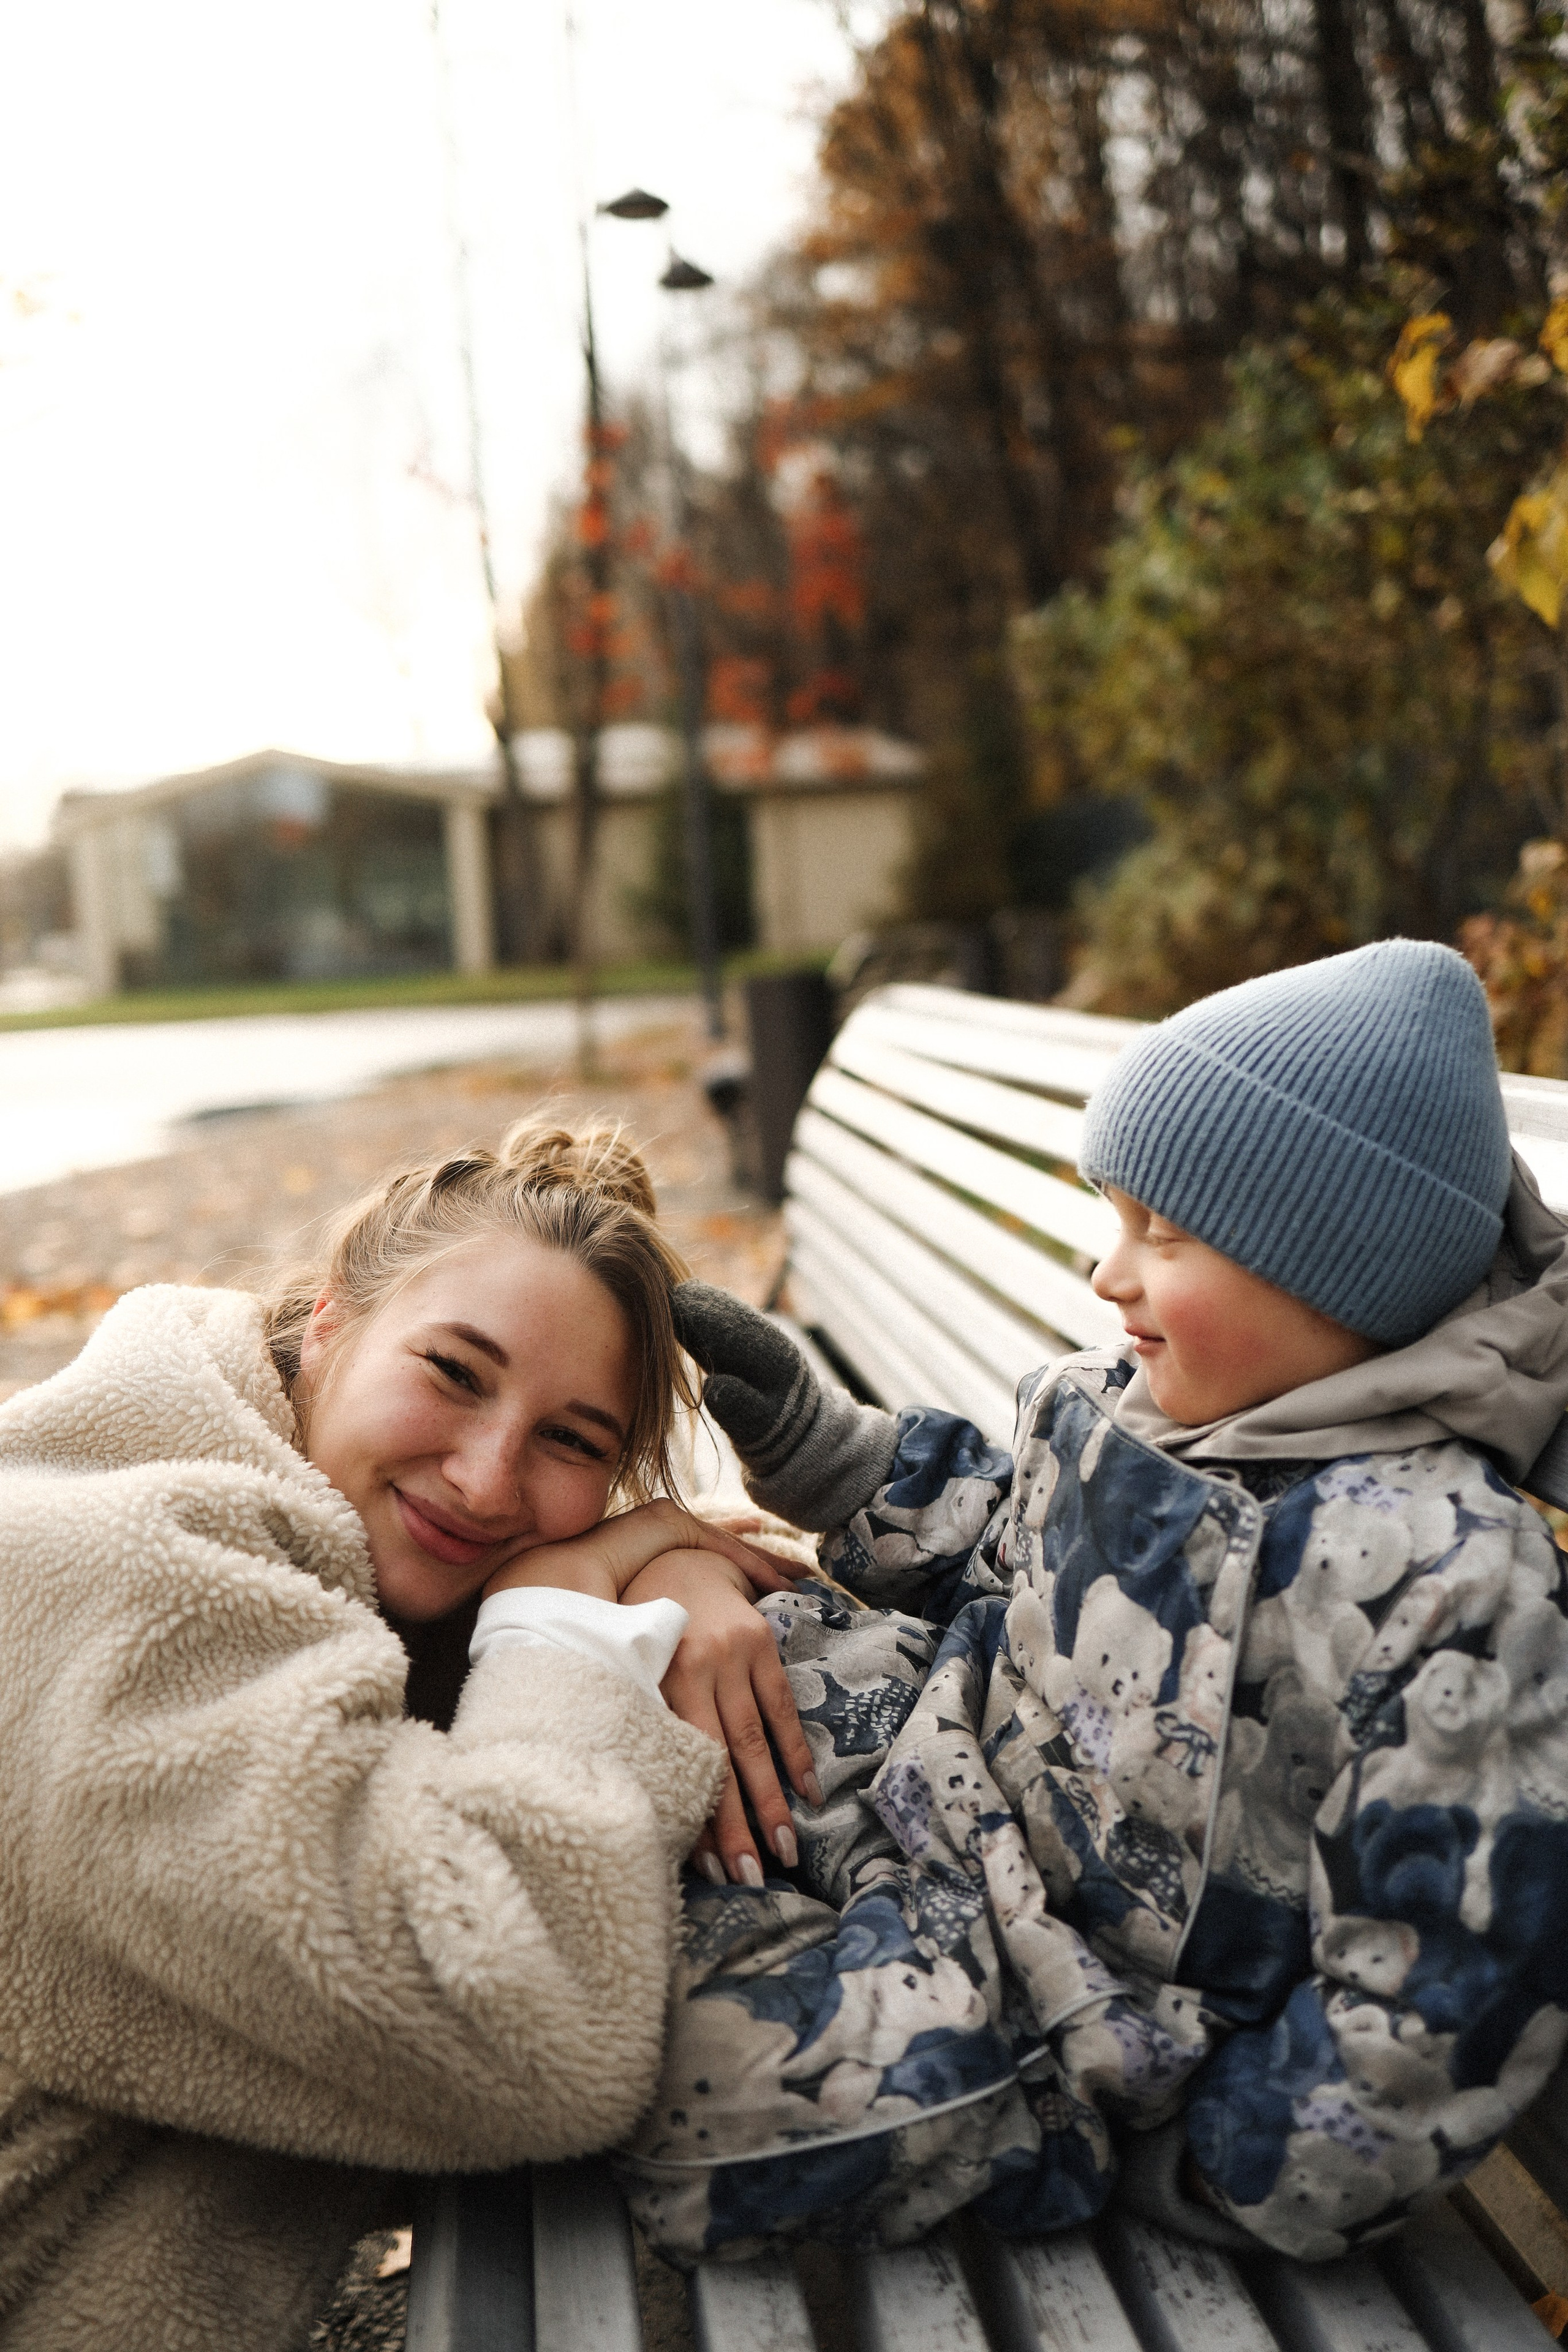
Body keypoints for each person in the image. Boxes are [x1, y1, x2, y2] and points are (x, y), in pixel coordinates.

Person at [619, 939, 1568, 2269]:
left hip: (1061, 2004)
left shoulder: (1438, 1574)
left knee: (703, 2113)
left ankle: (929, 2080)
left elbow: (1440, 1987)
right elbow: (1002, 1548)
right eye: (1113, 1220)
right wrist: (825, 1451)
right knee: (685, 1663)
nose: (1103, 1273)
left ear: (1329, 1273)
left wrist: (1232, 2162)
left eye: (1159, 1237)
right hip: (938, 1770)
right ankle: (630, 1881)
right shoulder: (1122, 1402)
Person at [0, 1115, 812, 2351]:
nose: (488, 1479)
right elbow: (534, 2020)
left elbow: (715, 1548)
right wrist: (565, 1606)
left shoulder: (260, 1501)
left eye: (569, 1441)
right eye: (454, 1373)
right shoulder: (122, 1586)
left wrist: (662, 1566)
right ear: (329, 1320)